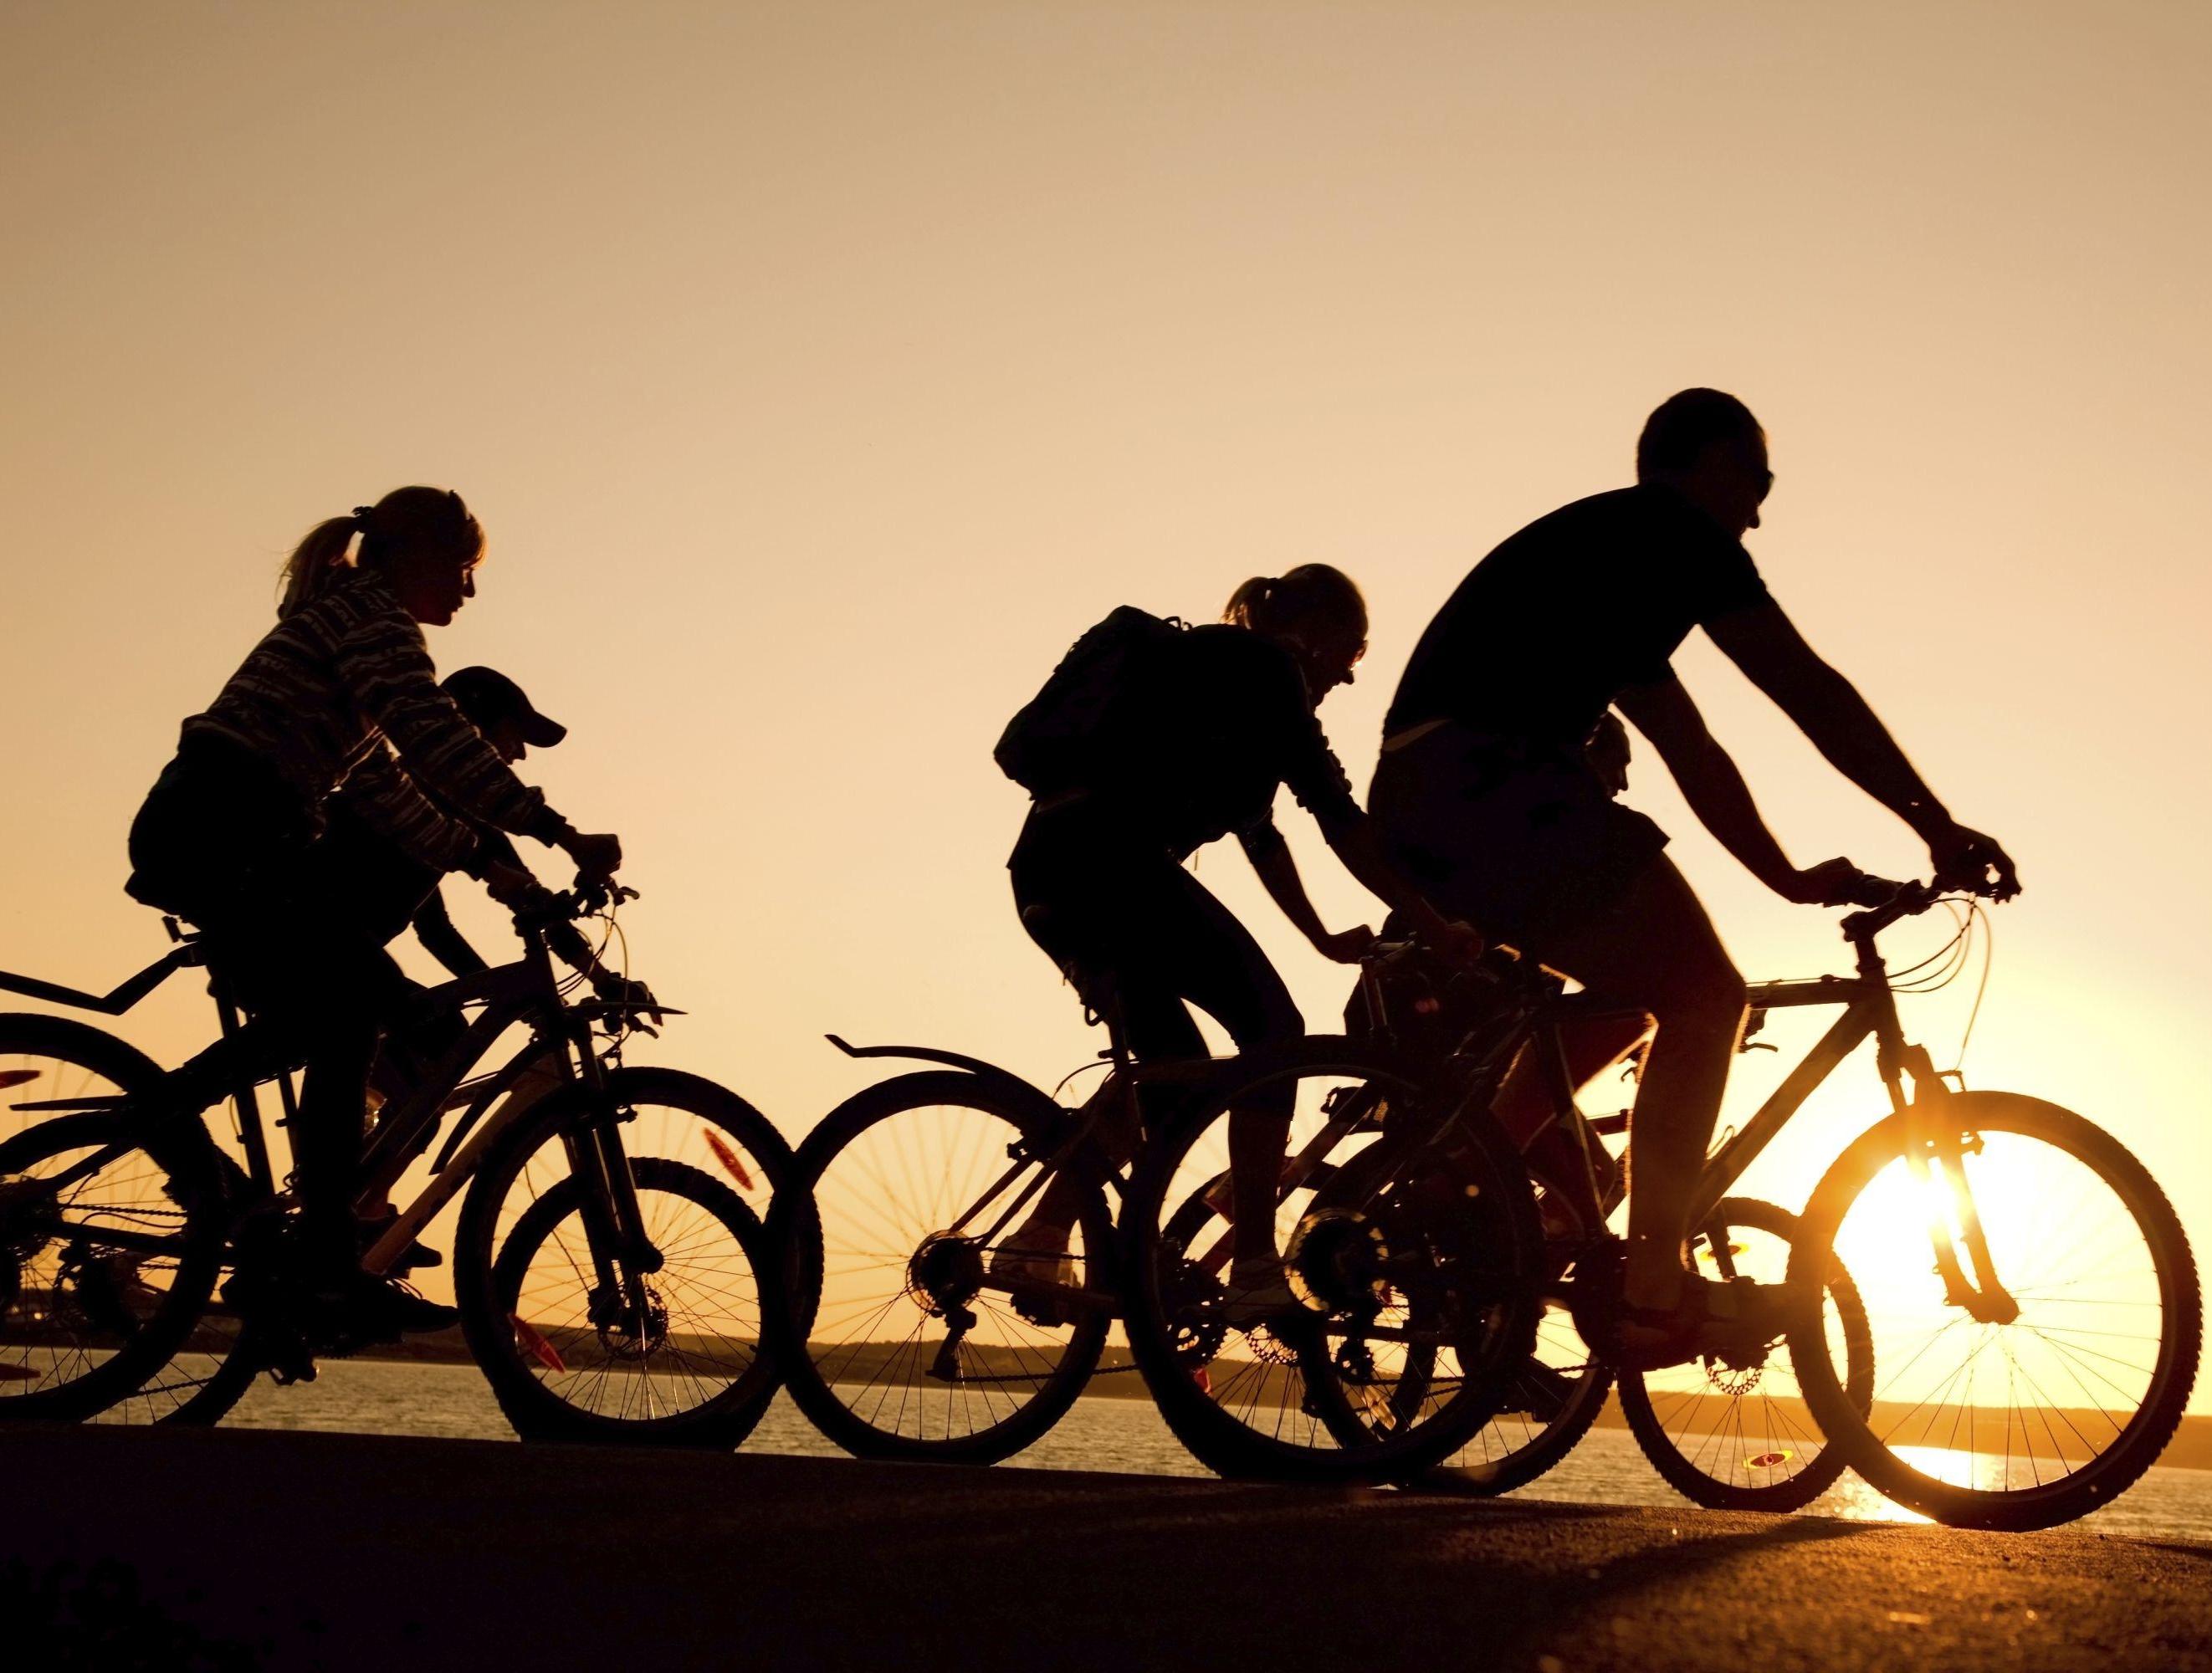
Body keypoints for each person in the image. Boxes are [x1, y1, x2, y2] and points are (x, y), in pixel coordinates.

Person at [1370, 390, 2018, 1365]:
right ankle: (1654, 1291)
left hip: (1424, 792)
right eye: (1756, 481)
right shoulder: (1675, 532)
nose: (1759, 511)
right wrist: (1937, 824)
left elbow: (1692, 748)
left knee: (1641, 1002)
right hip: (1489, 777)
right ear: (1708, 463)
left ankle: (1464, 1173)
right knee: (1707, 996)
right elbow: (1806, 688)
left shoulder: (1607, 567)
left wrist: (1786, 876)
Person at [124, 487, 623, 1340]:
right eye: (464, 570)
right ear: (417, 555)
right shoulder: (376, 620)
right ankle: (319, 1258)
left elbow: (388, 783)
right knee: (357, 1005)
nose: (469, 591)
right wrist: (549, 824)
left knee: (335, 1011)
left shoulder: (352, 625)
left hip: (232, 827)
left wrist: (478, 853)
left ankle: (253, 1216)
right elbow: (431, 734)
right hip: (223, 823)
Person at [997, 565, 1477, 1314]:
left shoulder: (1215, 685)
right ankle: (1254, 1265)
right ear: (1314, 633)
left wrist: (1319, 934)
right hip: (1112, 866)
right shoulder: (1266, 669)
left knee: (1170, 1069)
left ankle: (1041, 1241)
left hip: (1049, 869)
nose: (1347, 679)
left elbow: (1263, 834)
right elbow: (1336, 815)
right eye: (1351, 655)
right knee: (1275, 1032)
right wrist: (1430, 921)